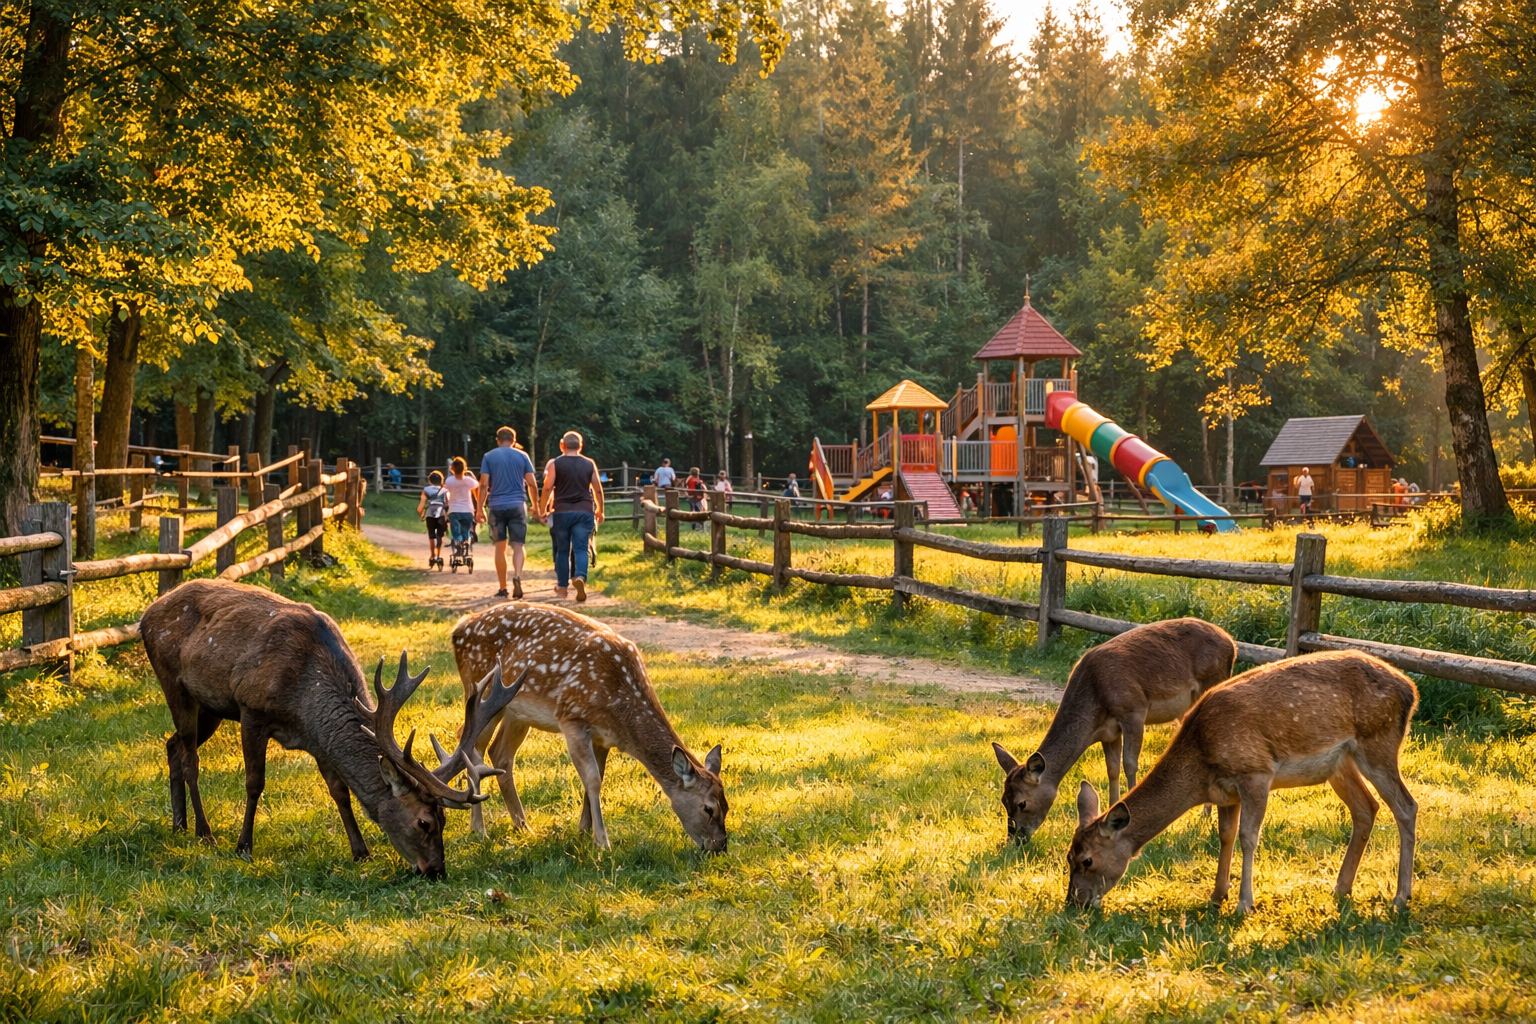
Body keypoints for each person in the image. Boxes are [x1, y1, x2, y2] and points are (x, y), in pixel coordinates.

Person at [477, 426, 540, 599]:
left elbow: (483, 484)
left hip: (496, 507)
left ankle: (503, 587)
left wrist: (479, 508)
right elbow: (532, 484)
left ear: (497, 440)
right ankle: (518, 577)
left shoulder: (489, 456)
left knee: (500, 547)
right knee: (518, 545)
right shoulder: (523, 456)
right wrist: (536, 506)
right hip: (518, 505)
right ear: (514, 440)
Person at [542, 431, 604, 601]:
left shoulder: (556, 464)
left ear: (562, 445)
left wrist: (542, 510)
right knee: (581, 548)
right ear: (580, 446)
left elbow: (547, 488)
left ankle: (562, 587)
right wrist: (600, 510)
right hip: (584, 511)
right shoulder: (589, 463)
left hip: (561, 512)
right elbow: (597, 489)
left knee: (562, 550)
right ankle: (580, 577)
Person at [444, 456, 479, 558]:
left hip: (454, 510)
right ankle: (466, 542)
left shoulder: (449, 481)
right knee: (466, 530)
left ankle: (458, 543)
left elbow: (446, 493)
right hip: (468, 510)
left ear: (452, 469)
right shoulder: (469, 480)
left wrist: (447, 503)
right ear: (465, 468)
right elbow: (478, 486)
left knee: (455, 530)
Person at [417, 469, 449, 567]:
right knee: (439, 535)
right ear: (441, 480)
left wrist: (421, 514)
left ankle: (432, 555)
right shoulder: (445, 490)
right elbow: (448, 504)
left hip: (430, 513)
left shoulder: (426, 490)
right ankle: (438, 555)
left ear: (430, 480)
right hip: (441, 513)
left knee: (432, 535)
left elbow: (421, 506)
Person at [685, 466, 705, 531]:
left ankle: (693, 524)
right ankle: (699, 527)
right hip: (698, 498)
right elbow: (703, 488)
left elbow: (686, 484)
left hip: (691, 496)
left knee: (692, 511)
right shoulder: (699, 481)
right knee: (699, 511)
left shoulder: (689, 480)